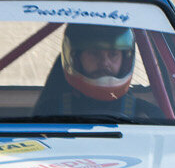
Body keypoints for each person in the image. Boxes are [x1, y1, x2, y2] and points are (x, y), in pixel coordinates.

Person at [33, 23, 161, 120]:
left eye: (113, 54)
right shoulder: (49, 113)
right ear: (75, 59)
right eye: (94, 53)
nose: (104, 63)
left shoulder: (148, 116)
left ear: (125, 60)